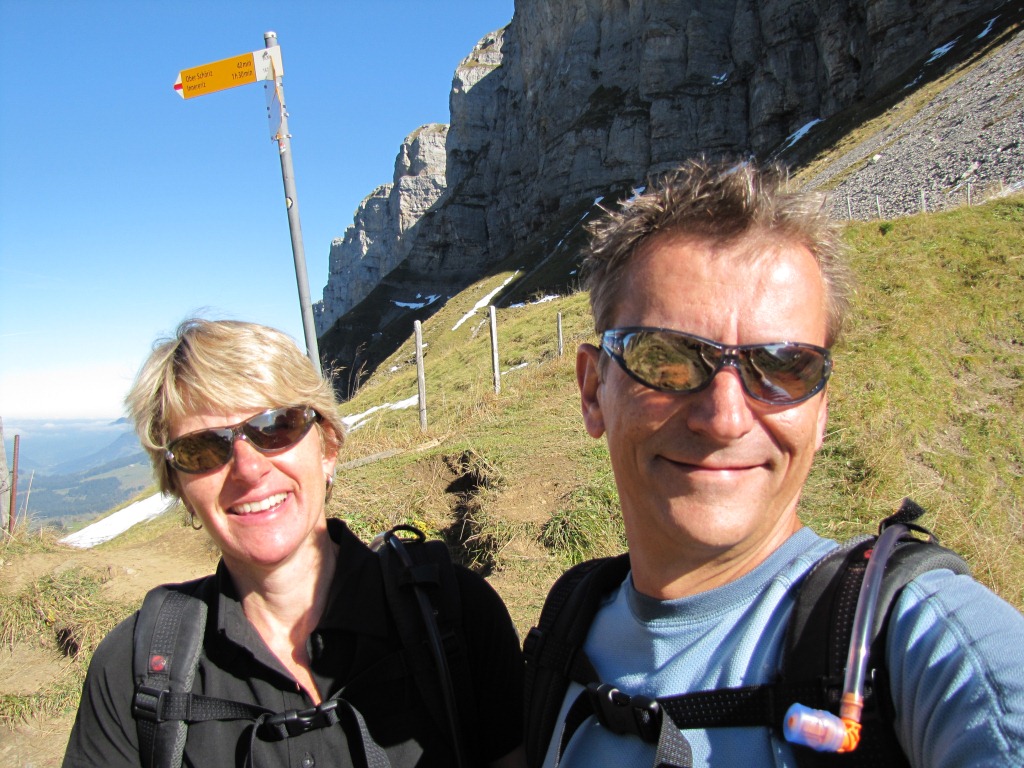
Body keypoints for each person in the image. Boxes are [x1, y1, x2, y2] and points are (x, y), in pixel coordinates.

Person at [529, 160, 1024, 766]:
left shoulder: (911, 642)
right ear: (593, 391)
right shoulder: (565, 629)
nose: (726, 418)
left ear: (821, 410)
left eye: (785, 367)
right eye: (667, 358)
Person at [63, 318, 525, 768]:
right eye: (202, 449)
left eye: (276, 425)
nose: (248, 469)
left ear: (328, 448)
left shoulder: (458, 615)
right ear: (180, 488)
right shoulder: (131, 672)